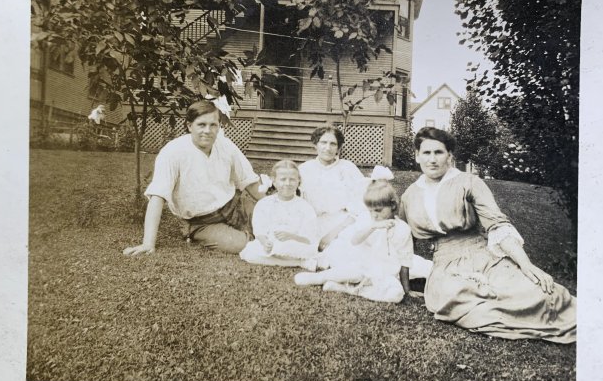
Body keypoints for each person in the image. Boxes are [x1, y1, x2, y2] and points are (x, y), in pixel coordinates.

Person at [399, 127, 576, 343]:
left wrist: (526, 265)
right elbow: (402, 242)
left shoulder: (469, 182)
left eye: (439, 152)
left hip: (482, 256)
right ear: (417, 156)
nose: (432, 159)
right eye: (426, 153)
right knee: (456, 295)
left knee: (541, 295)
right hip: (446, 267)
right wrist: (405, 287)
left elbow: (497, 224)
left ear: (450, 156)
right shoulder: (410, 196)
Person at [123, 100, 263, 256]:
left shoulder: (226, 145)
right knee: (242, 245)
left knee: (277, 222)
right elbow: (158, 196)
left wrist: (278, 206)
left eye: (213, 125)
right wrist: (148, 243)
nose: (208, 131)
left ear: (219, 126)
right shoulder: (173, 152)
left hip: (236, 205)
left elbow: (250, 182)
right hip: (202, 222)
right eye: (201, 125)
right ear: (189, 126)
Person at [293, 167, 416, 304]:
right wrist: (373, 227)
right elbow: (355, 240)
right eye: (370, 211)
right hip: (363, 266)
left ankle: (347, 289)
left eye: (378, 210)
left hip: (384, 274)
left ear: (393, 206)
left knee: (396, 295)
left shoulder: (403, 229)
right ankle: (318, 278)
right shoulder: (368, 221)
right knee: (350, 272)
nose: (374, 215)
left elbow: (405, 262)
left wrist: (406, 290)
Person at [298, 126, 368, 255]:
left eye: (333, 144)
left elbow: (361, 202)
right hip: (314, 223)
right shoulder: (304, 169)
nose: (328, 148)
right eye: (323, 142)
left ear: (338, 148)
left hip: (344, 222)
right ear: (315, 145)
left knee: (350, 248)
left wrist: (334, 233)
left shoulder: (348, 168)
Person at [239, 160, 318, 269]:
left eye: (292, 180)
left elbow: (309, 238)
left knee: (301, 249)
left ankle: (286, 259)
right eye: (283, 179)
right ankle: (299, 263)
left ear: (298, 181)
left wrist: (291, 237)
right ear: (274, 181)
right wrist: (265, 242)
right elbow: (259, 231)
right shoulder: (264, 204)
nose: (287, 183)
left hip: (294, 244)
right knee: (250, 253)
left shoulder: (305, 207)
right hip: (271, 244)